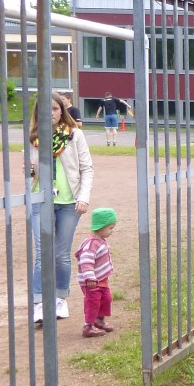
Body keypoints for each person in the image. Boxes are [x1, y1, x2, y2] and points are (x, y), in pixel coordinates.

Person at [28, 92, 94, 325]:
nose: (51, 113)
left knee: (61, 254)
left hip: (68, 203)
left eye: (55, 109)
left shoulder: (74, 135)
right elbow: (29, 172)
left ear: (62, 111)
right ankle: (39, 303)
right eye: (46, 110)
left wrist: (83, 197)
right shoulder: (34, 137)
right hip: (41, 201)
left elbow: (87, 169)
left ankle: (59, 299)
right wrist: (30, 173)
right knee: (42, 253)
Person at [76, 207, 118, 338]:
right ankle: (88, 326)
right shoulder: (91, 244)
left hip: (101, 280)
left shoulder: (100, 241)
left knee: (106, 298)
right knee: (93, 302)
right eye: (110, 228)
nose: (112, 231)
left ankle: (99, 320)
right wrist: (90, 277)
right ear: (101, 227)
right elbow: (86, 261)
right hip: (92, 282)